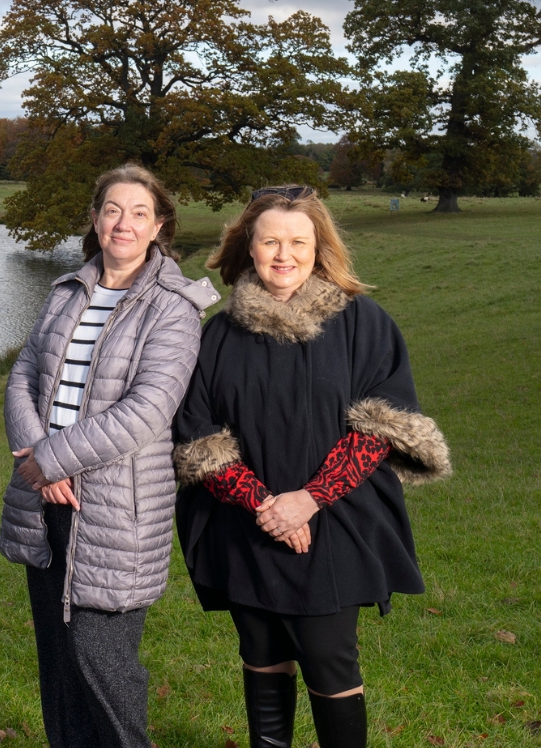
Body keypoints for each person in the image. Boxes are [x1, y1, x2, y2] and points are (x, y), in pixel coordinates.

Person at [171, 186, 452, 748]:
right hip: (244, 525)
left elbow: (381, 423)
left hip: (338, 522)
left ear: (318, 247)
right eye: (270, 240)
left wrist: (309, 499)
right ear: (247, 247)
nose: (283, 254)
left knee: (328, 658)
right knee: (262, 654)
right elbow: (196, 430)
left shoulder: (363, 324)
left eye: (298, 241)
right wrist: (262, 504)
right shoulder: (219, 335)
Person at [0, 164, 219, 748]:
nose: (123, 223)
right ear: (95, 220)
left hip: (114, 512)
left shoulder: (172, 306)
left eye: (138, 212)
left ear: (159, 226)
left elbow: (148, 409)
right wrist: (37, 464)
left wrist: (52, 461)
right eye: (112, 210)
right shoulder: (69, 289)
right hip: (44, 501)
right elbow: (23, 374)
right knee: (59, 664)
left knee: (103, 664)